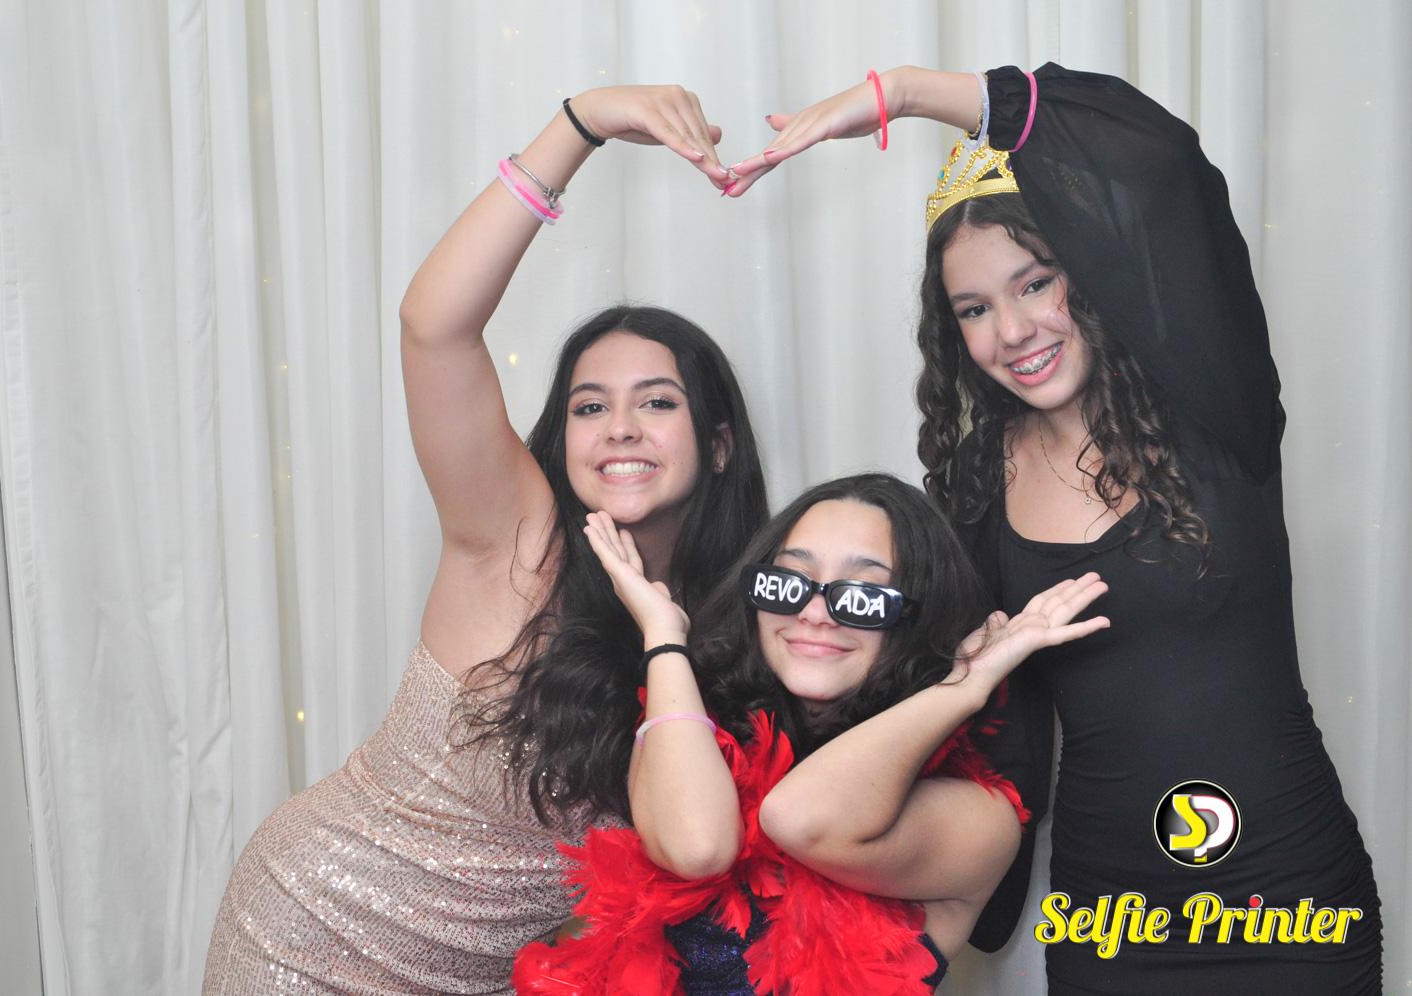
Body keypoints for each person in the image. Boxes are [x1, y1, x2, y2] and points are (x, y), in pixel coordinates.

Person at [727, 66, 1382, 991]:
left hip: (1293, 901)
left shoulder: (1213, 410)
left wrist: (905, 95)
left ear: (1090, 271)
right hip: (1110, 917)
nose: (1013, 330)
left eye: (1034, 284)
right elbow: (931, 693)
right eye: (974, 310)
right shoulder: (971, 489)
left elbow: (1164, 166)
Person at [202, 85, 768, 994]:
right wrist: (582, 125)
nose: (620, 428)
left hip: (496, 978)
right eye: (591, 407)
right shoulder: (518, 536)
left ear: (720, 443)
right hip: (315, 935)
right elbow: (433, 328)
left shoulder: (736, 628)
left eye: (657, 402)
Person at [514, 474, 1109, 994]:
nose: (815, 613)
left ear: (919, 616)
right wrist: (664, 636)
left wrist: (963, 687)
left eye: (864, 595)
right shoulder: (688, 734)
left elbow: (799, 819)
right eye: (788, 582)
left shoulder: (980, 815)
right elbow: (698, 847)